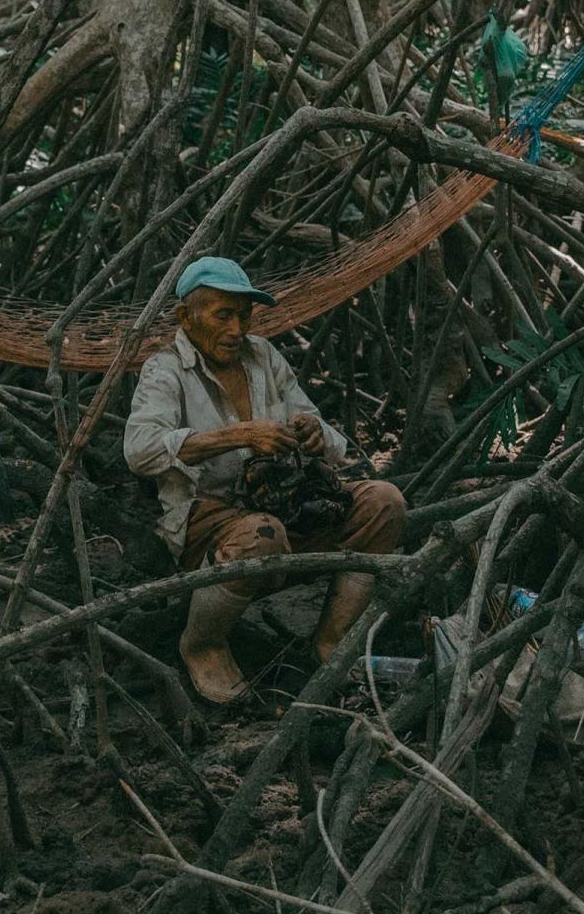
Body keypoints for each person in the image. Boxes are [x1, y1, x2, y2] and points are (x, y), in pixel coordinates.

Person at [123, 256, 405, 705]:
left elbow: (331, 440)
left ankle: (331, 641)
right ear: (185, 317)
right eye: (223, 316)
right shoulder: (165, 370)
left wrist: (315, 435)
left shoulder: (263, 356)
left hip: (288, 507)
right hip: (211, 522)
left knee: (385, 501)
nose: (237, 330)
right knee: (260, 534)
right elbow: (140, 449)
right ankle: (203, 645)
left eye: (244, 316)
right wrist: (237, 435)